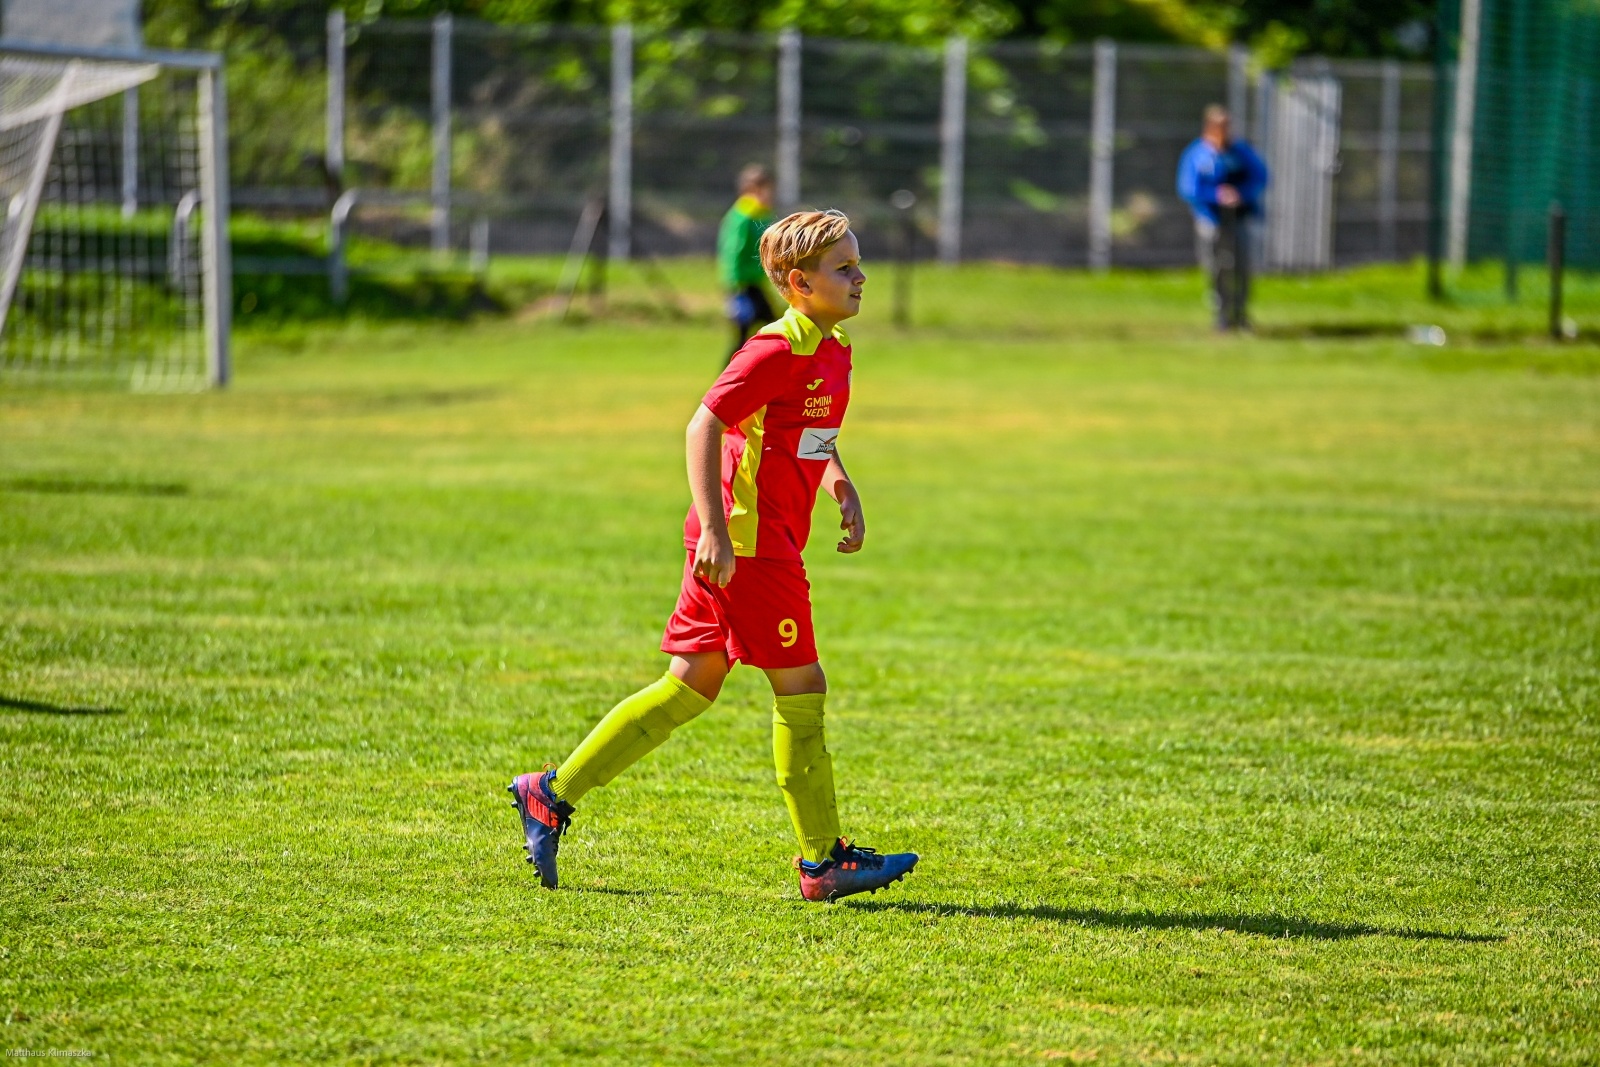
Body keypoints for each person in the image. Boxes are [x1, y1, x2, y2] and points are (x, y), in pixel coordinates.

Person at [509, 209, 919, 903]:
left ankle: (550, 792)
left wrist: (839, 481)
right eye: (845, 268)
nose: (861, 277)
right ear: (799, 282)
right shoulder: (772, 349)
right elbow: (705, 423)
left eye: (858, 263)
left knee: (691, 682)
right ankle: (823, 861)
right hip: (746, 546)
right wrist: (717, 533)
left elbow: (811, 429)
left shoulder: (833, 346)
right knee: (801, 685)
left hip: (757, 541)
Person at [1177, 105, 1268, 331]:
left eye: (1227, 125)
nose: (1224, 130)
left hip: (1239, 218)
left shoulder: (1240, 151)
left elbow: (1260, 176)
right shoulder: (1197, 153)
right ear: (1209, 126)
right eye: (1220, 125)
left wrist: (1241, 194)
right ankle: (1221, 316)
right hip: (1211, 220)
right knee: (1217, 267)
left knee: (1242, 267)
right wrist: (1217, 195)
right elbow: (1188, 188)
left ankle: (1241, 314)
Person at [717, 164, 778, 364]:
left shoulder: (761, 215)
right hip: (742, 286)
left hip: (755, 284)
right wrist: (733, 287)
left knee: (772, 330)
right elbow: (734, 250)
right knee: (746, 336)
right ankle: (726, 382)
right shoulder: (743, 216)